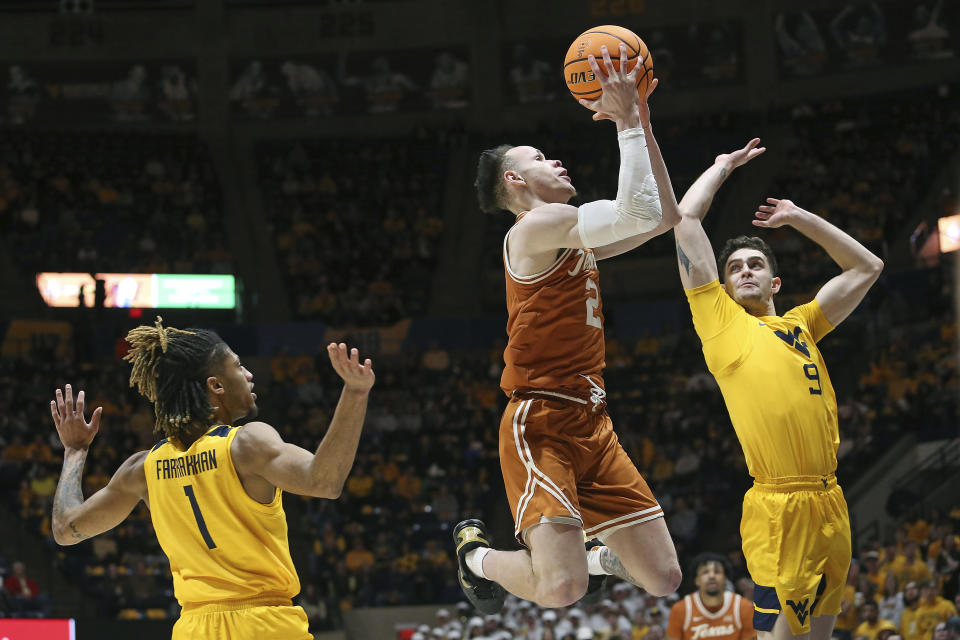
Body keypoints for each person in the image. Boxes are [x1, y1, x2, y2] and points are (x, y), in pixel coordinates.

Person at [457, 43, 682, 613]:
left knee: (661, 577)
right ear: (515, 179)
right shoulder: (532, 230)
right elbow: (635, 213)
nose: (557, 162)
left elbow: (661, 218)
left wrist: (644, 125)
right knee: (560, 591)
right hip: (542, 419)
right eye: (541, 157)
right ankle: (474, 559)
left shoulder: (568, 234)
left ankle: (591, 553)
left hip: (593, 419)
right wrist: (626, 123)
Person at [671, 136, 884, 640]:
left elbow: (867, 266)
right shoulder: (722, 325)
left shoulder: (802, 324)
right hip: (778, 507)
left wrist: (797, 216)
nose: (745, 270)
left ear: (775, 283)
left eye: (756, 265)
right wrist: (722, 166)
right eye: (735, 268)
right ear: (722, 288)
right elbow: (686, 221)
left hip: (831, 500)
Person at [49, 317, 375, 639]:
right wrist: (355, 394)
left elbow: (66, 530)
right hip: (264, 626)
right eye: (237, 366)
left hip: (193, 629)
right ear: (216, 385)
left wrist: (75, 452)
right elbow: (324, 481)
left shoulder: (143, 468)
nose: (249, 375)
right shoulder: (247, 444)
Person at [666, 554, 756, 640]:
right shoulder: (681, 610)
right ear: (697, 580)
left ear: (725, 578)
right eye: (705, 572)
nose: (712, 576)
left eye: (717, 572)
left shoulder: (743, 607)